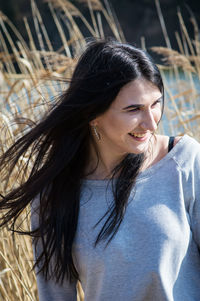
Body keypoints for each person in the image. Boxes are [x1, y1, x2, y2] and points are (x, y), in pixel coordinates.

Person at [0, 38, 200, 301]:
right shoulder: (55, 192)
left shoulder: (184, 161)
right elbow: (56, 296)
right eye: (134, 109)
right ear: (92, 113)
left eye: (155, 103)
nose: (151, 123)